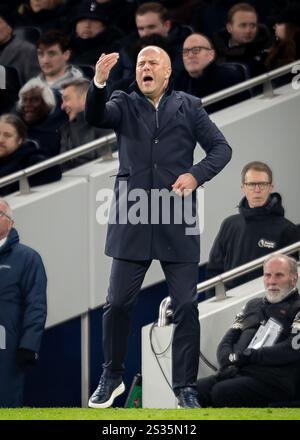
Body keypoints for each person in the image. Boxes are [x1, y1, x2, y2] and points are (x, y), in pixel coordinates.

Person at [85, 45, 232, 409]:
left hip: (176, 220)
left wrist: (196, 175)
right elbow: (96, 115)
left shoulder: (190, 106)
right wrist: (99, 81)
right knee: (117, 303)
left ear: (167, 72)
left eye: (153, 63)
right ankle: (112, 376)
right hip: (132, 220)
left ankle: (185, 387)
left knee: (185, 306)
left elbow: (220, 149)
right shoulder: (123, 102)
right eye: (140, 63)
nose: (144, 67)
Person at [197, 254, 300, 407]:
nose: (272, 281)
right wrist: (228, 359)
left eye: (279, 275)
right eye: (268, 275)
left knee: (222, 392)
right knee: (195, 390)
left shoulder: (297, 306)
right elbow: (229, 337)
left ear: (294, 278)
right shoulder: (252, 305)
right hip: (239, 371)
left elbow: (293, 348)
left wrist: (250, 356)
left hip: (275, 379)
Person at [206, 161, 300, 296]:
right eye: (251, 184)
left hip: (268, 302)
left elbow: (292, 277)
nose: (257, 190)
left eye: (262, 184)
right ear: (243, 188)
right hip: (228, 303)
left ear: (270, 187)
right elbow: (213, 271)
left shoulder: (288, 230)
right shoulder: (229, 225)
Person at [0, 198, 47, 407]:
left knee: (6, 402)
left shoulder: (28, 258)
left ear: (11, 222)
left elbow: (36, 305)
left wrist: (29, 344)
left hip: (7, 347)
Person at [176, 32, 251, 112]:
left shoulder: (229, 78)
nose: (190, 55)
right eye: (185, 52)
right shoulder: (179, 84)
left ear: (211, 54)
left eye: (196, 50)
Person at [0, 113, 61, 196]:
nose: (1, 140)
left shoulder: (28, 158)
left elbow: (52, 170)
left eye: (7, 135)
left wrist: (15, 183)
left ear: (19, 140)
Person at [59, 78, 112, 170]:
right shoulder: (65, 129)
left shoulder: (105, 123)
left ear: (85, 98)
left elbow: (107, 167)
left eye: (66, 99)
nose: (62, 106)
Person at [212, 2, 272, 77]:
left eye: (253, 25)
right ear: (229, 28)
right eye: (243, 25)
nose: (248, 31)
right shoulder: (215, 52)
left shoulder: (267, 49)